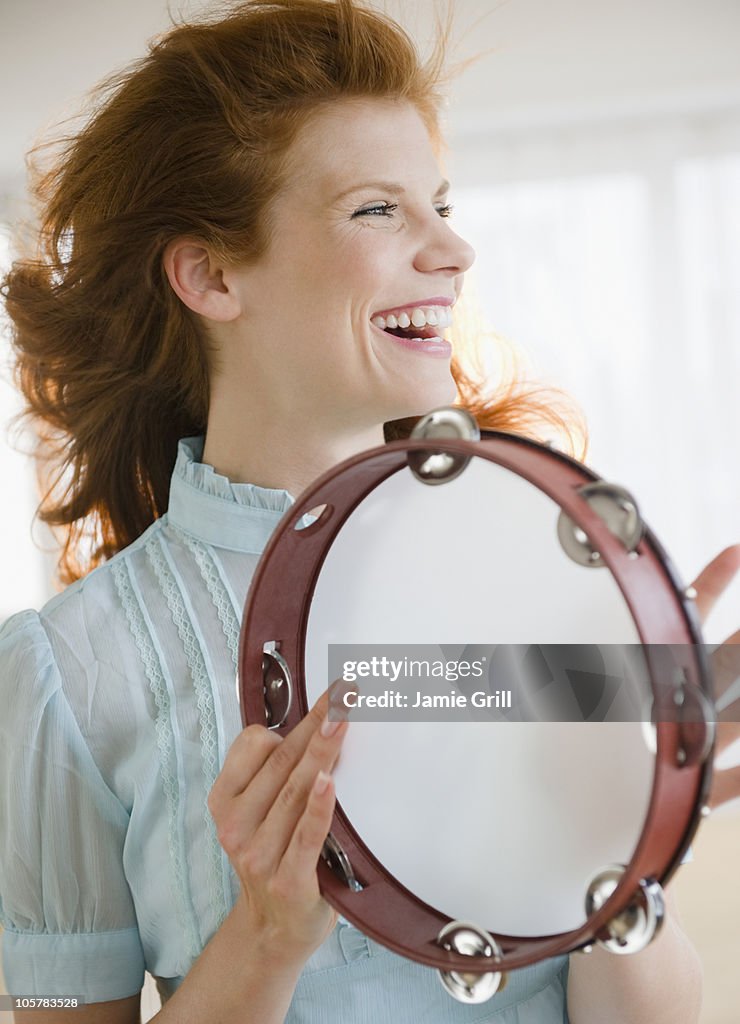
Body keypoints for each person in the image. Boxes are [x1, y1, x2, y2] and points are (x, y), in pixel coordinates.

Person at [0, 1, 711, 1021]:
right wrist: (269, 932)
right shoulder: (71, 674)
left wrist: (622, 855)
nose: (454, 249)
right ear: (210, 273)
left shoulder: (541, 578)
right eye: (379, 210)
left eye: (440, 203)